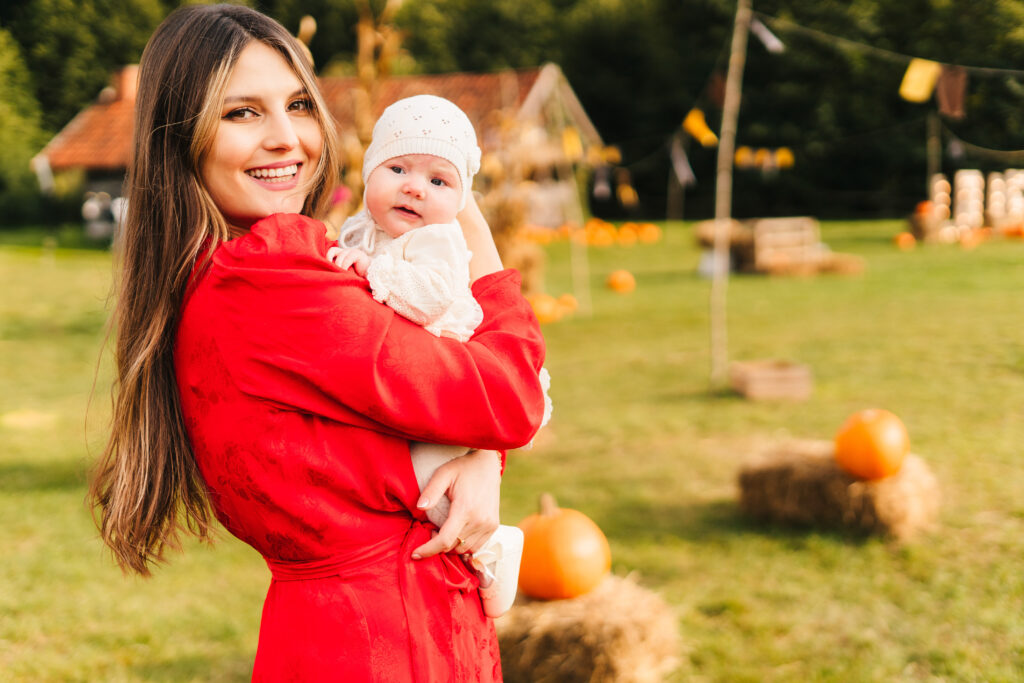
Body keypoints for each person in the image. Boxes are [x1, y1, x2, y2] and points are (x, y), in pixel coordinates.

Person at [88, 5, 547, 682]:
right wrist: (470, 223)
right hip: (387, 641)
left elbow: (444, 398)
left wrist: (481, 457)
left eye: (299, 105)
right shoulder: (271, 274)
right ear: (182, 137)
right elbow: (506, 397)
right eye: (241, 113)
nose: (287, 138)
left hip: (338, 629)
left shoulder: (221, 276)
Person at [326, 95, 552, 619]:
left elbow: (428, 295)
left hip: (450, 383)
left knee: (434, 485)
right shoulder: (363, 229)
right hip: (412, 380)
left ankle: (492, 546)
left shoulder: (439, 241)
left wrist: (368, 273)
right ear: (368, 172)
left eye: (438, 182)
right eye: (397, 167)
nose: (413, 187)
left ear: (460, 201)